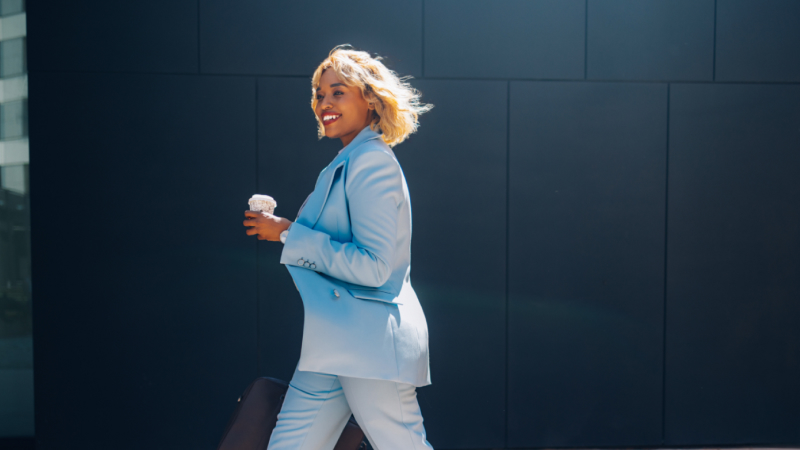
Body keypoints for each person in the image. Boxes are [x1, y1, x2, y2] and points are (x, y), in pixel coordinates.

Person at [242, 45, 434, 450]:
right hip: (336, 340)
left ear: (369, 98)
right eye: (318, 94)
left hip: (370, 343)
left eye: (337, 92)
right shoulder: (350, 160)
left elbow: (376, 267)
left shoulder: (371, 162)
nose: (323, 103)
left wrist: (288, 233)